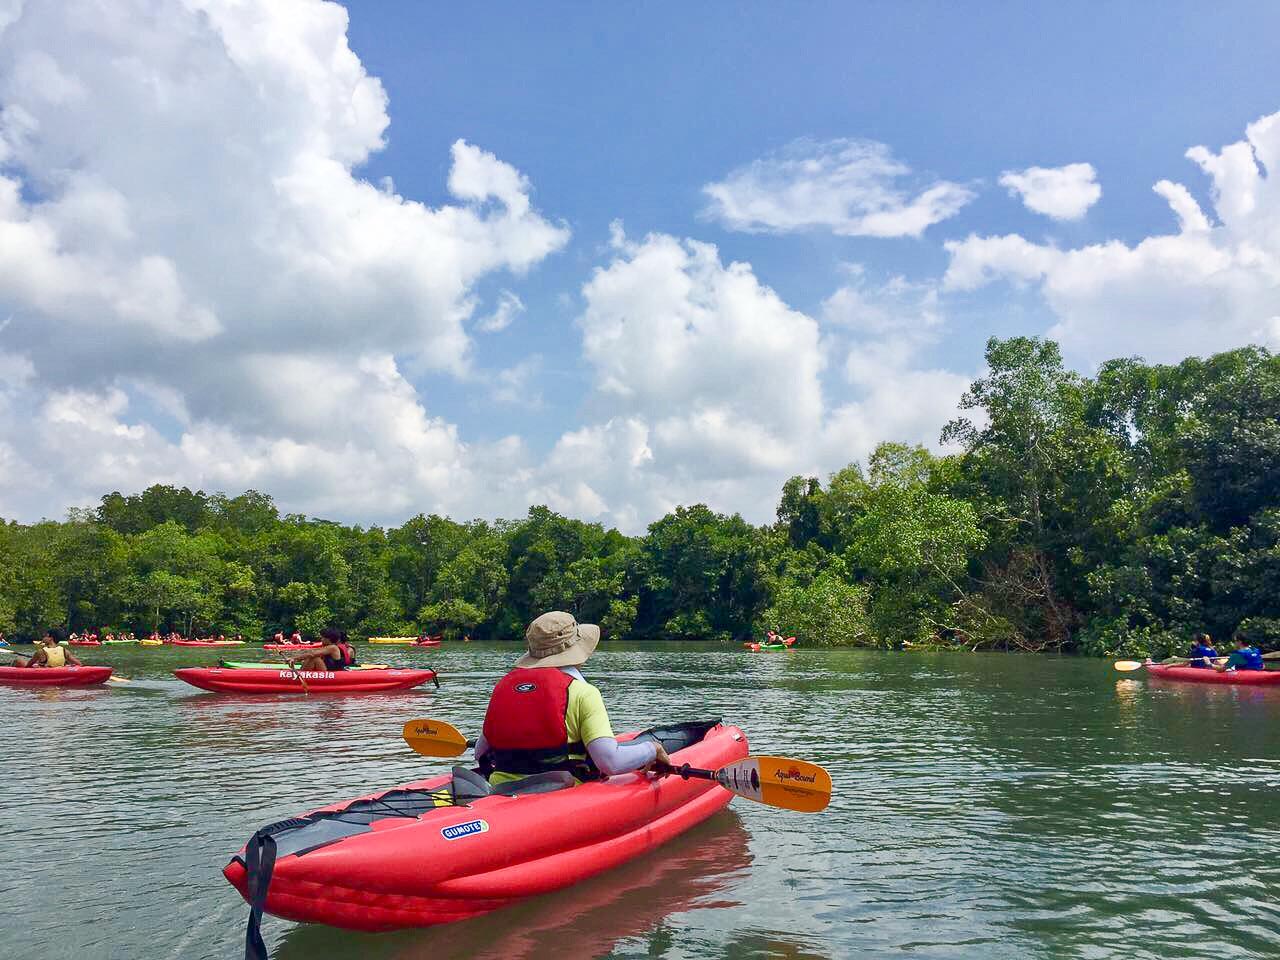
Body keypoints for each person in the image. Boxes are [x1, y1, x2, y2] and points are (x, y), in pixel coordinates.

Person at [475, 611, 671, 786]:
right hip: (561, 793)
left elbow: (479, 753)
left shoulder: (504, 687)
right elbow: (610, 763)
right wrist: (652, 749)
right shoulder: (584, 693)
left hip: (500, 789)